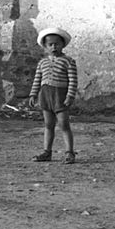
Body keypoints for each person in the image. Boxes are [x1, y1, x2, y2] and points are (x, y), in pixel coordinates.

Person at [27, 27, 79, 163]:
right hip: (45, 96)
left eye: (57, 44)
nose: (54, 47)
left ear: (63, 45)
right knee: (48, 124)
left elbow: (73, 81)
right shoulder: (42, 63)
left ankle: (69, 153)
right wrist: (33, 94)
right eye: (50, 44)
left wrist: (70, 96)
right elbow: (37, 80)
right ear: (45, 46)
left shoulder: (68, 61)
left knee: (64, 124)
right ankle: (47, 152)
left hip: (60, 96)